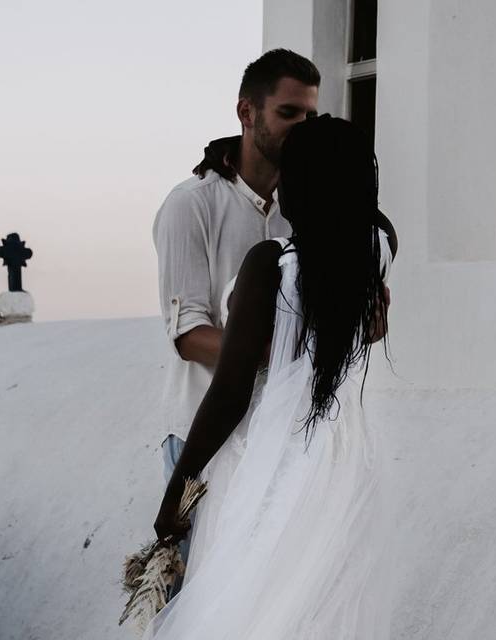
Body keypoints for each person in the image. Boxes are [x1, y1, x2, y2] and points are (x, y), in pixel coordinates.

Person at [145, 115, 399, 640]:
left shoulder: (270, 265)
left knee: (249, 606)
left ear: (300, 183)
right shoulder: (376, 246)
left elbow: (231, 392)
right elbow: (368, 233)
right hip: (343, 454)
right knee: (319, 602)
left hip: (269, 456)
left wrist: (178, 489)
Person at [152, 49, 320, 583]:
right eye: (288, 114)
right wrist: (280, 351)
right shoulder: (191, 205)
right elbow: (188, 334)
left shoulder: (310, 210)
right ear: (247, 113)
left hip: (277, 436)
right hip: (201, 431)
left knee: (261, 589)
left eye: (311, 117)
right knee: (194, 593)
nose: (301, 128)